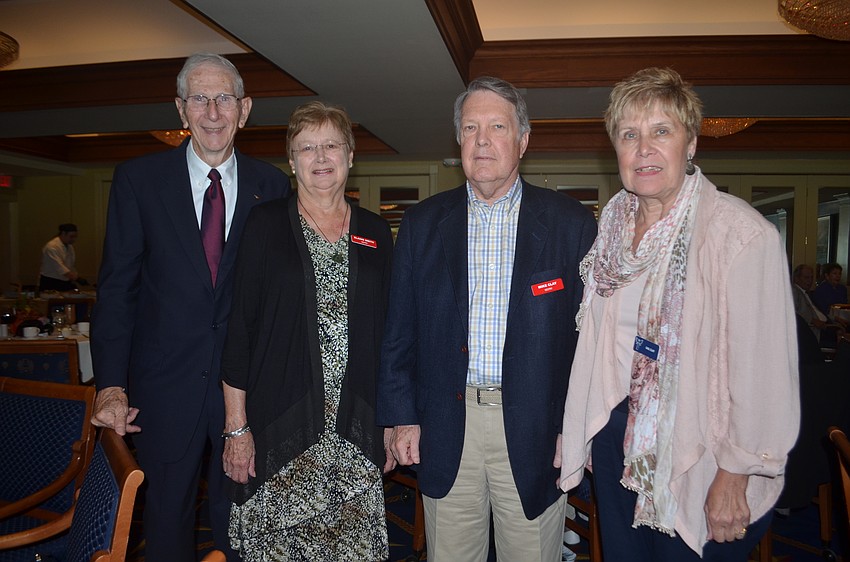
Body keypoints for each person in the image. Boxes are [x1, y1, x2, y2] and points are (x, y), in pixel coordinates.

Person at [558, 67, 800, 561]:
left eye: (661, 131)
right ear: (617, 152)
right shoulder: (612, 228)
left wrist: (736, 473)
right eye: (630, 135)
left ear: (690, 144)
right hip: (616, 436)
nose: (643, 148)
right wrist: (578, 427)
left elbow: (763, 374)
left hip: (702, 448)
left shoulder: (740, 235)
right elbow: (597, 347)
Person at [378, 76, 597, 561]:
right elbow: (399, 331)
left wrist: (574, 423)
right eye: (471, 127)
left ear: (522, 141)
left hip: (538, 428)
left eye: (497, 126)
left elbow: (588, 342)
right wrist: (400, 416)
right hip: (444, 426)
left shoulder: (571, 224)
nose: (482, 139)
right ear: (458, 140)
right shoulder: (421, 224)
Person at [89, 53, 291, 562]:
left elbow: (278, 298)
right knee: (165, 524)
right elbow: (117, 290)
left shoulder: (274, 187)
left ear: (244, 110)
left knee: (242, 523)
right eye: (199, 98)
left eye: (224, 98)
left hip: (245, 395)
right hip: (162, 392)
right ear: (182, 110)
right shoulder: (139, 181)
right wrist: (111, 385)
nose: (213, 111)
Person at [220, 101, 392, 560]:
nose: (320, 157)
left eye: (331, 145)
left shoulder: (376, 231)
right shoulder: (265, 224)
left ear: (350, 155)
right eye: (307, 148)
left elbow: (392, 336)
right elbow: (240, 329)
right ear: (291, 161)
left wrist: (393, 420)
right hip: (282, 423)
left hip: (356, 427)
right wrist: (236, 428)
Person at [791, 264, 830, 341]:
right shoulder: (794, 291)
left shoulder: (807, 293)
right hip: (812, 330)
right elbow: (793, 312)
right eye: (806, 277)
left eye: (812, 277)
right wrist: (812, 320)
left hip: (824, 325)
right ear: (796, 278)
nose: (810, 281)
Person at [39, 223, 78, 292]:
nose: (74, 239)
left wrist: (74, 275)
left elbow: (70, 265)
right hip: (51, 282)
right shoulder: (51, 247)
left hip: (64, 280)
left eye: (75, 237)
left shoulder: (69, 246)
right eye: (71, 236)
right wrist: (75, 277)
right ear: (63, 233)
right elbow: (59, 267)